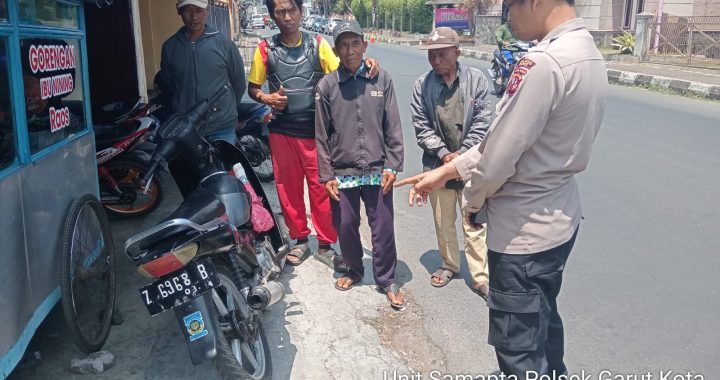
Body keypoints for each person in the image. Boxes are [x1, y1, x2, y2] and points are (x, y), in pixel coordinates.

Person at [396, 0, 609, 376]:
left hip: (522, 234)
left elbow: (497, 156)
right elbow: (505, 141)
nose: (507, 16)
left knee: (519, 350)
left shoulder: (544, 63)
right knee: (544, 323)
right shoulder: (587, 52)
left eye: (510, 5)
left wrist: (472, 201)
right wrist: (444, 172)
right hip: (559, 218)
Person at [247, 0, 378, 270]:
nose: (287, 17)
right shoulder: (264, 49)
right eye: (280, 12)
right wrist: (266, 97)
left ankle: (326, 245)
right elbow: (253, 89)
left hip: (316, 132)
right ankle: (299, 240)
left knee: (321, 189)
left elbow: (343, 70)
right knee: (288, 188)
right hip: (282, 132)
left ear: (301, 12)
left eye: (292, 10)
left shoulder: (318, 44)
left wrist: (367, 63)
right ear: (273, 16)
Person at [315, 21, 405, 310]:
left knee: (383, 227)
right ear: (336, 50)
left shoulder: (382, 80)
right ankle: (354, 269)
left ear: (364, 46)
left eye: (355, 43)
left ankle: (387, 278)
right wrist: (326, 174)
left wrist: (392, 165)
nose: (350, 50)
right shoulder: (327, 85)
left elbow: (393, 126)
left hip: (378, 170)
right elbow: (321, 134)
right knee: (346, 225)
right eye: (343, 44)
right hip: (343, 171)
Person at [411, 27, 492, 299]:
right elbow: (421, 126)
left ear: (457, 53)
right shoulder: (422, 85)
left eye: (441, 54)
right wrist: (445, 155)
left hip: (473, 168)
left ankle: (480, 276)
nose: (435, 61)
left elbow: (483, 124)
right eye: (431, 55)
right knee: (443, 220)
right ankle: (449, 264)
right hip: (437, 166)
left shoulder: (477, 81)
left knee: (474, 223)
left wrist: (464, 155)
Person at [159, 0, 246, 144]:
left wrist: (226, 110)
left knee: (223, 166)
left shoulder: (224, 44)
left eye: (199, 10)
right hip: (185, 129)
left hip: (221, 128)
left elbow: (239, 83)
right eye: (187, 10)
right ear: (178, 11)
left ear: (207, 11)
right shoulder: (170, 47)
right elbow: (169, 85)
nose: (194, 17)